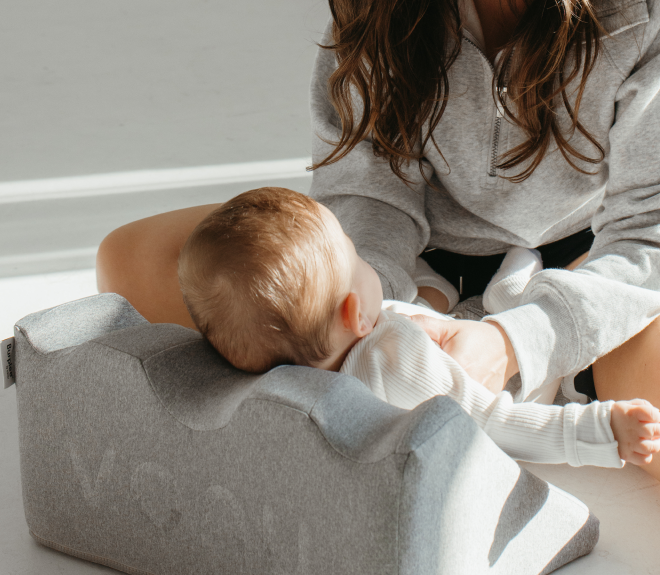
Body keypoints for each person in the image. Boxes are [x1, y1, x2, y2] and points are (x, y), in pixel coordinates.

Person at [96, 0, 660, 481]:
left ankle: (554, 383)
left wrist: (516, 340)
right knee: (132, 262)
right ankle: (361, 404)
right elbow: (363, 179)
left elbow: (649, 231)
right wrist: (378, 309)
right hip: (386, 270)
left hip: (584, 263)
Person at [177, 186, 660, 469]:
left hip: (424, 330)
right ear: (356, 315)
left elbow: (380, 308)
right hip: (523, 381)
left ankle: (445, 291)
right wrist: (601, 431)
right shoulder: (397, 359)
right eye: (353, 249)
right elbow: (496, 422)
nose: (362, 253)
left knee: (417, 303)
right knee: (522, 278)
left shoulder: (278, 382)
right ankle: (504, 294)